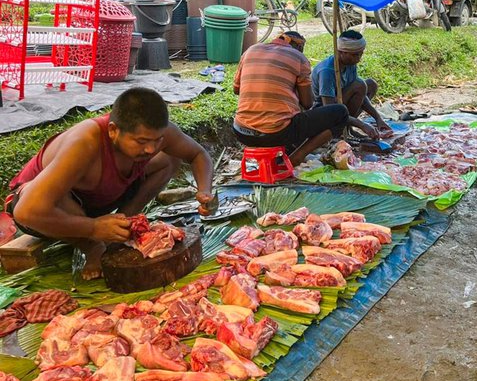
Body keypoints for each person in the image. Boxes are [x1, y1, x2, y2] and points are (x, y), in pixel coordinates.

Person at [4, 88, 216, 280]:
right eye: (141, 142)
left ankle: (124, 224)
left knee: (170, 158)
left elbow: (198, 154)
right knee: (54, 197)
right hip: (44, 207)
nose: (151, 149)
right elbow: (26, 212)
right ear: (113, 130)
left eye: (157, 140)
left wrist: (204, 190)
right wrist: (93, 229)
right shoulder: (85, 142)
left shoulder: (157, 135)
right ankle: (92, 247)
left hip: (97, 200)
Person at [232, 31, 349, 166]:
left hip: (241, 132)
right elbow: (307, 103)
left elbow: (237, 90)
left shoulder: (250, 51)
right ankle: (297, 157)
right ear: (299, 47)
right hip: (276, 133)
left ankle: (278, 153)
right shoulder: (299, 58)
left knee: (288, 116)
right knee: (341, 113)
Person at [312, 30, 392, 139]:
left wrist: (378, 118)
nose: (358, 59)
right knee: (359, 84)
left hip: (340, 105)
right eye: (355, 55)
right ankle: (339, 131)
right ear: (341, 52)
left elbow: (361, 96)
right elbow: (329, 110)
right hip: (322, 114)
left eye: (360, 54)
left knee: (371, 84)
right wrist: (362, 125)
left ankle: (348, 129)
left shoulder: (350, 63)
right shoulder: (327, 71)